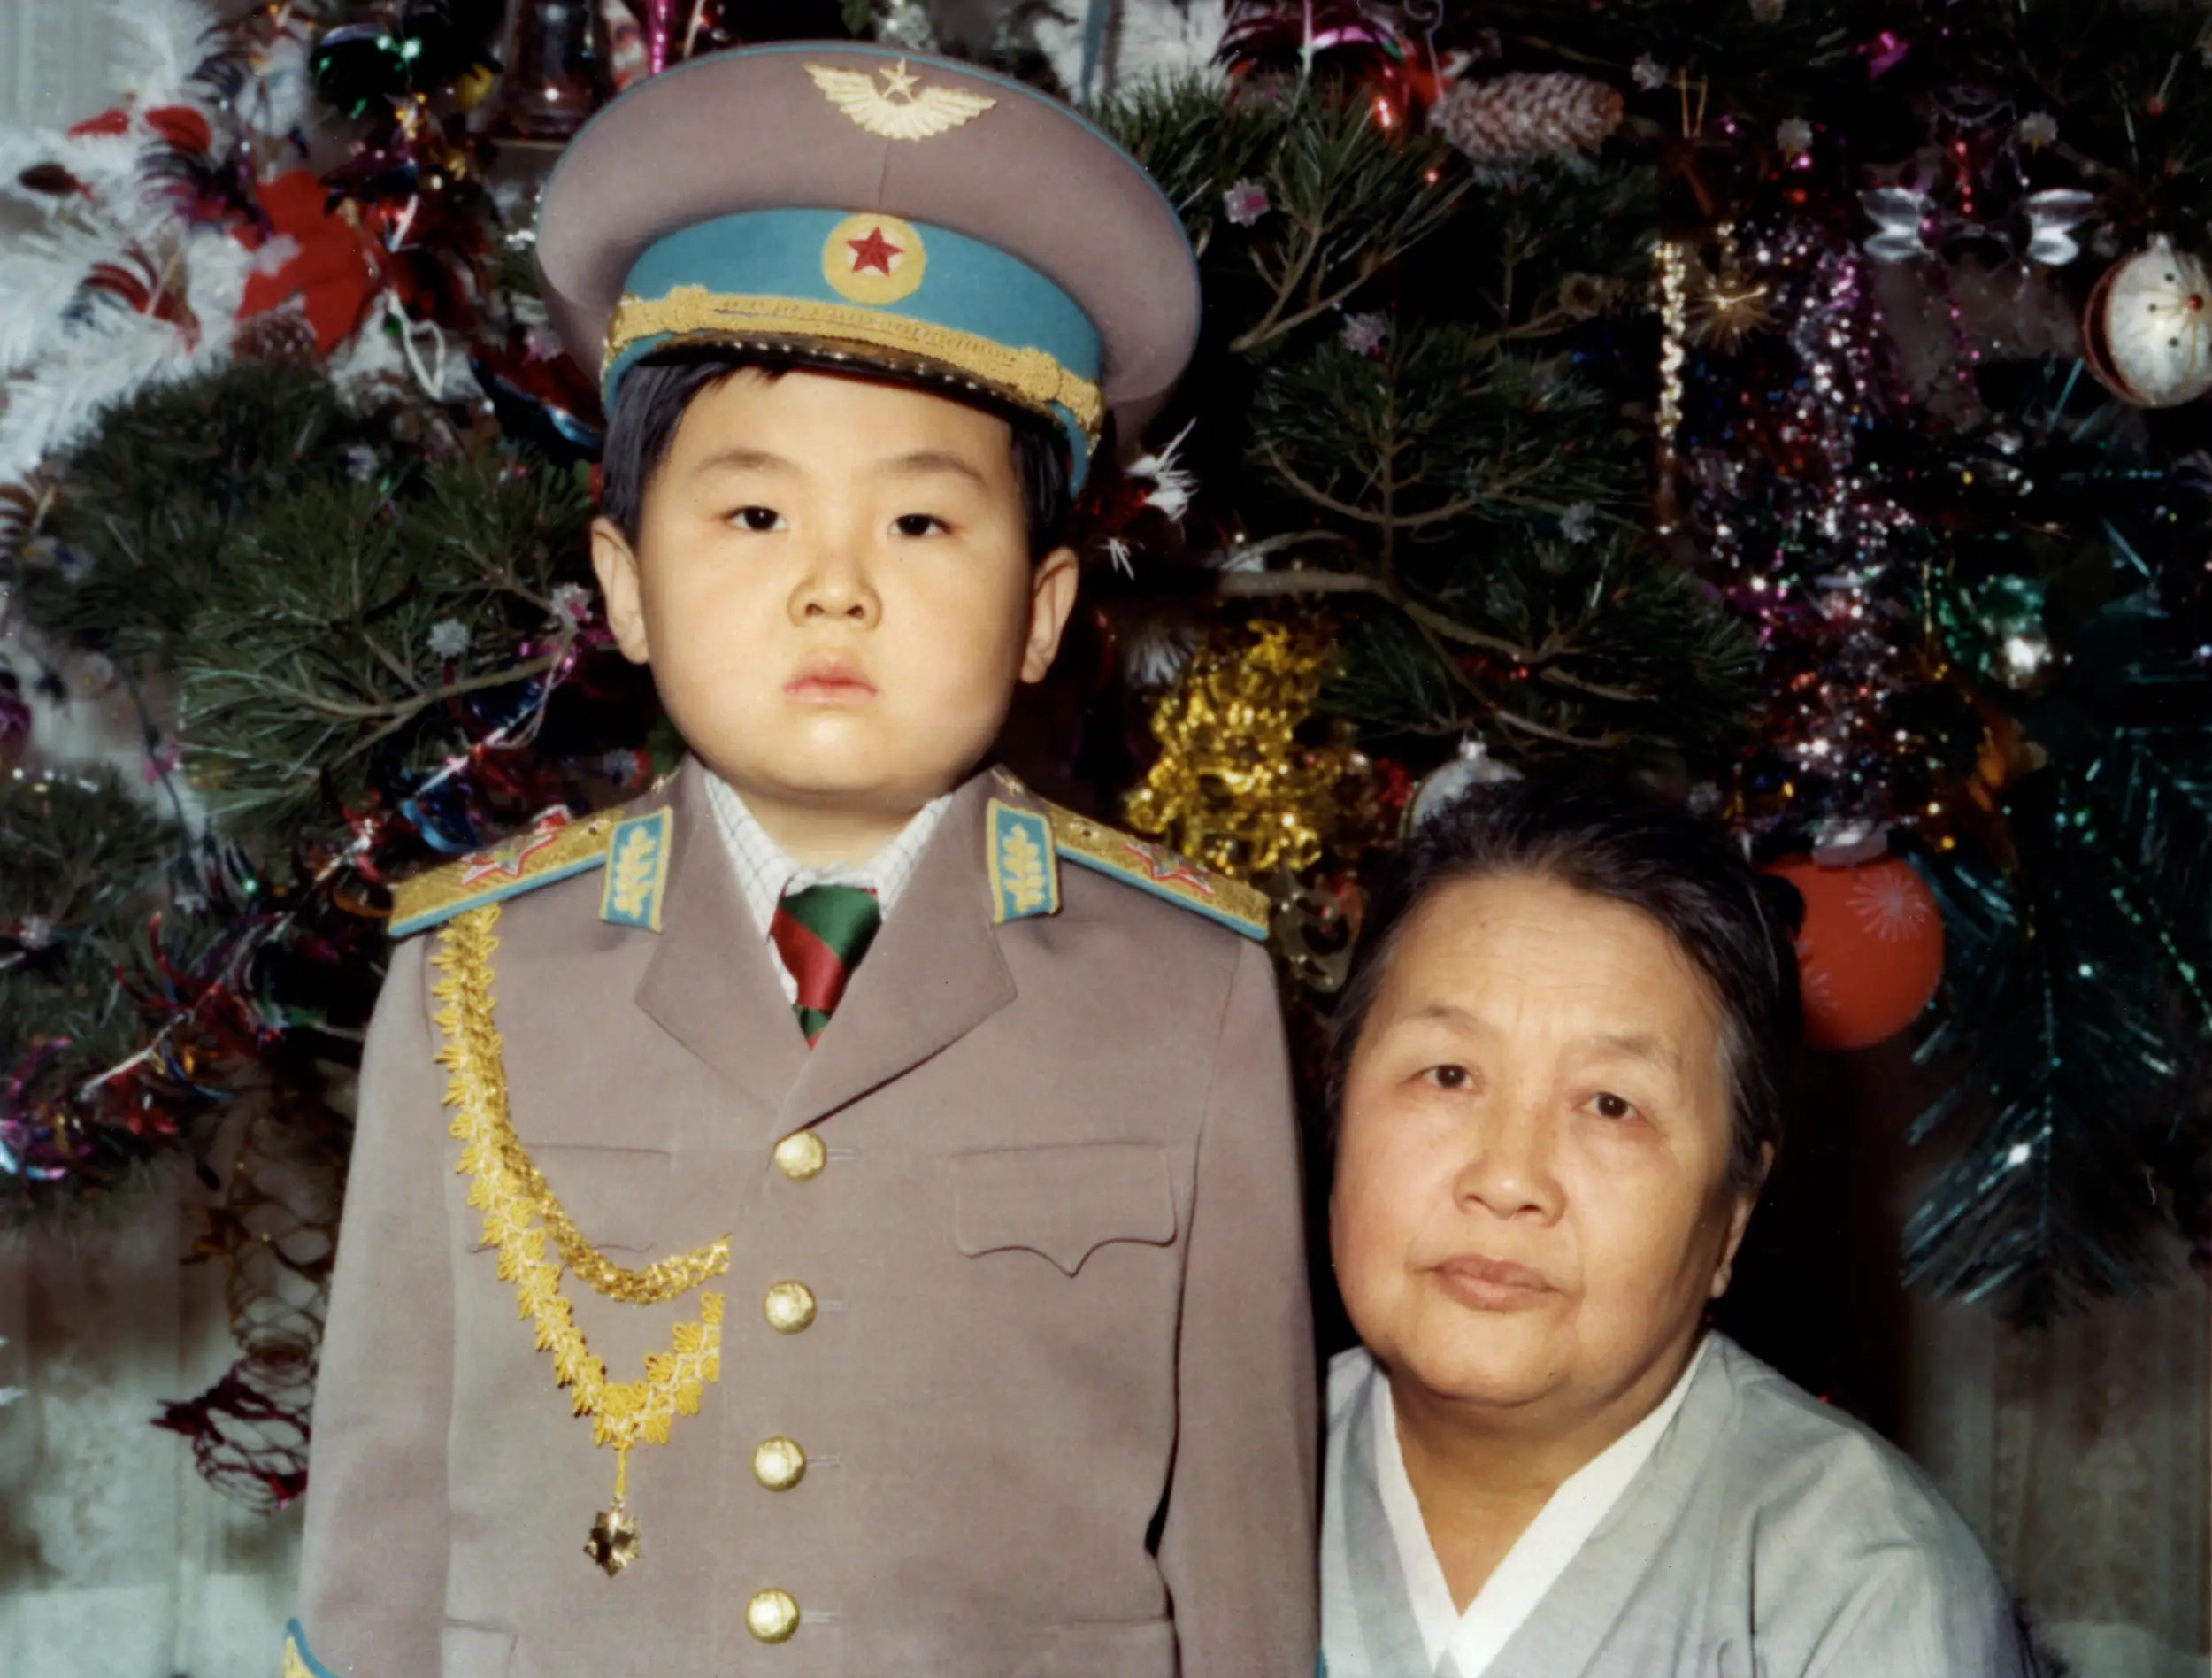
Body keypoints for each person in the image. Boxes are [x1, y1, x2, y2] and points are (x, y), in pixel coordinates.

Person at [288, 42, 1317, 1678]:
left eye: (921, 525)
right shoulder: (478, 971)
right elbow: (380, 1520)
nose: (835, 590)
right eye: (753, 518)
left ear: (1045, 610)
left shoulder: (1183, 990)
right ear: (622, 586)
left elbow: (1247, 1563)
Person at [1320, 777, 2033, 1677]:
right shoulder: (1206, 1467)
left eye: (1611, 1105)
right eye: (1448, 1075)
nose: (1506, 1179)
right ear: (1339, 1110)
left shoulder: (1864, 1593)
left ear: (1732, 1212)